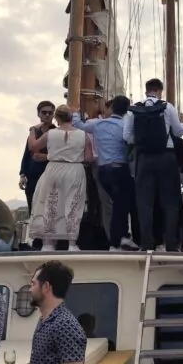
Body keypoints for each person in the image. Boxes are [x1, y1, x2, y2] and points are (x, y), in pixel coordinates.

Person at [124, 78, 183, 252]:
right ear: (160, 91)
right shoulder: (167, 107)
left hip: (144, 158)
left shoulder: (134, 110)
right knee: (170, 202)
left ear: (146, 91)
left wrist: (142, 141)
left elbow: (127, 136)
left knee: (145, 203)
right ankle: (170, 243)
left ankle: (147, 243)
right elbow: (178, 132)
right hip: (166, 157)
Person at [74, 96, 139, 250]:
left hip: (103, 170)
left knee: (117, 204)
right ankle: (118, 240)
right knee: (122, 204)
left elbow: (78, 125)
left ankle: (120, 238)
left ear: (112, 108)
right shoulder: (125, 125)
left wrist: (75, 112)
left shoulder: (98, 124)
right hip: (120, 169)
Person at [28, 105, 93, 251]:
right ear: (71, 117)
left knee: (51, 203)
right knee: (73, 205)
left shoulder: (50, 134)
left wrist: (32, 131)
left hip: (54, 168)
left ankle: (48, 243)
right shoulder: (83, 135)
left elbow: (33, 146)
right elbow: (89, 158)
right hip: (75, 169)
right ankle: (72, 243)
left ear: (56, 118)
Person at [20, 102, 55, 212]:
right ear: (39, 114)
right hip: (32, 176)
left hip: (50, 175)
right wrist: (22, 174)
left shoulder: (57, 133)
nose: (47, 115)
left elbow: (62, 154)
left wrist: (47, 157)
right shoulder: (34, 132)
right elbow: (27, 154)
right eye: (44, 112)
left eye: (50, 113)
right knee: (33, 210)